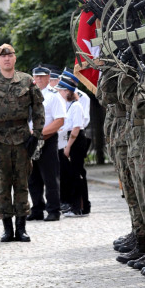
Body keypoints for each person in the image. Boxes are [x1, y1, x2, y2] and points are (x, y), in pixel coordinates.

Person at [0, 44, 45, 242]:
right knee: (3, 185)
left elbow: (38, 108)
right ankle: (7, 228)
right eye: (2, 56)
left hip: (22, 138)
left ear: (15, 58)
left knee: (22, 183)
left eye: (10, 55)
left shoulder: (27, 81)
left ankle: (21, 228)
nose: (6, 59)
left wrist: (36, 135)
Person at [27, 66, 66, 222]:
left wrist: (39, 134)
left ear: (49, 77)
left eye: (42, 77)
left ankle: (53, 210)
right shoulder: (29, 95)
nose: (39, 80)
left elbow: (59, 121)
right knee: (32, 177)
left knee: (50, 177)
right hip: (30, 139)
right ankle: (37, 208)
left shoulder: (54, 96)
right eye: (36, 77)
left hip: (47, 139)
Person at [57, 78, 89, 217]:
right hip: (67, 138)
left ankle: (79, 207)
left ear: (67, 91)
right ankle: (72, 205)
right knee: (69, 174)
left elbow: (76, 128)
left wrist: (68, 146)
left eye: (61, 90)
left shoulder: (76, 106)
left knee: (77, 174)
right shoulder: (67, 105)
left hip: (75, 140)